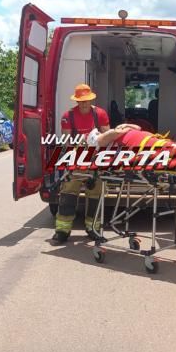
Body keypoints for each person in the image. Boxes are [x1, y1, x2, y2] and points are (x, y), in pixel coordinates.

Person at [52, 84, 111, 245]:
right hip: (76, 159)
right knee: (68, 194)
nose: (84, 104)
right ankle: (62, 231)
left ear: (91, 99)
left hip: (96, 161)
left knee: (95, 195)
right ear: (77, 101)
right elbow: (66, 142)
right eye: (80, 101)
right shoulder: (67, 116)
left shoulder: (100, 114)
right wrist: (84, 141)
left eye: (86, 101)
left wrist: (97, 143)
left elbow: (108, 136)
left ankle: (93, 228)